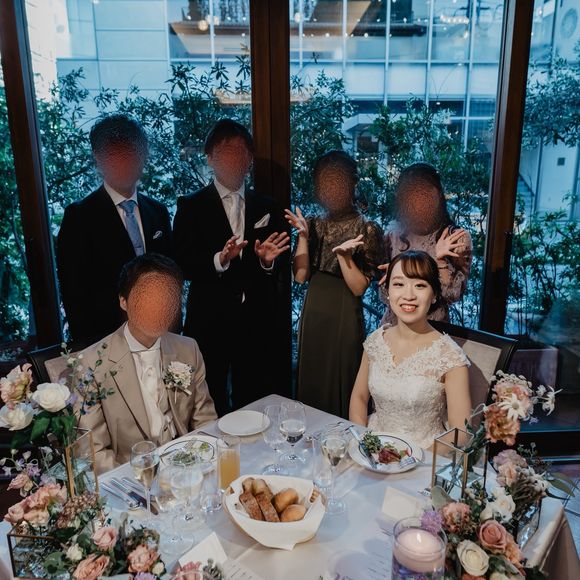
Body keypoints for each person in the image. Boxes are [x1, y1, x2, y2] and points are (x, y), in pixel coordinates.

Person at [173, 119, 289, 415]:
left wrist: (266, 261)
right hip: (209, 319)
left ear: (249, 159)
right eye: (225, 151)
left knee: (254, 398)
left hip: (256, 320)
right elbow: (182, 263)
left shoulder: (268, 206)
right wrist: (220, 260)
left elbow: (279, 259)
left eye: (240, 151)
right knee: (209, 398)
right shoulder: (190, 206)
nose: (234, 158)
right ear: (210, 158)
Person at [77, 253, 217, 474]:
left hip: (188, 471)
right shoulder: (91, 364)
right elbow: (93, 452)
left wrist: (202, 466)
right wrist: (139, 482)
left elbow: (205, 421)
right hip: (131, 478)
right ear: (123, 301)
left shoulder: (188, 348)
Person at [56, 114, 172, 344]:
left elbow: (169, 277)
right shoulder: (79, 216)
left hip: (160, 336)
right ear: (98, 159)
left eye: (130, 154)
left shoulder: (157, 211)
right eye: (114, 156)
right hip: (107, 340)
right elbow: (74, 295)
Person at [286, 150, 384, 418]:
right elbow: (300, 276)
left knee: (342, 376)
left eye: (336, 181)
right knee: (312, 377)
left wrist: (344, 258)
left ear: (352, 183)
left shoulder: (368, 228)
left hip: (343, 308)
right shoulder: (313, 224)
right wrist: (303, 237)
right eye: (325, 183)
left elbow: (359, 288)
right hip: (314, 307)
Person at [349, 250, 472, 448]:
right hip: (373, 446)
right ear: (388, 291)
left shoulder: (450, 357)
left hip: (425, 455)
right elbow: (359, 397)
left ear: (434, 295)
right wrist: (364, 444)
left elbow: (461, 433)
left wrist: (413, 460)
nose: (408, 295)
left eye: (420, 285)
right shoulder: (376, 341)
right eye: (399, 284)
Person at [379, 163, 472, 324]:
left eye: (424, 194)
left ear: (438, 196)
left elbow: (453, 296)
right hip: (394, 326)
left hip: (432, 327)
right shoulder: (393, 234)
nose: (418, 202)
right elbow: (383, 296)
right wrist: (392, 282)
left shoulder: (456, 237)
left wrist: (440, 261)